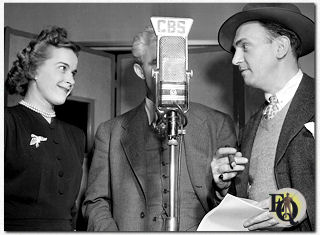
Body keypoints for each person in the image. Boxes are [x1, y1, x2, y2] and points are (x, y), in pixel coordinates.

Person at [82, 26, 247, 231]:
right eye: (155, 63)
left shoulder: (218, 124)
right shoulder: (110, 133)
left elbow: (236, 205)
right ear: (140, 71)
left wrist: (222, 187)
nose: (167, 71)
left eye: (174, 62)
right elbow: (95, 203)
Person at [217, 3, 315, 231]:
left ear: (280, 47)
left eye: (245, 47)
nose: (235, 60)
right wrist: (224, 184)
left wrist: (306, 204)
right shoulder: (252, 124)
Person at [4, 26, 85, 231]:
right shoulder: (7, 123)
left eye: (73, 72)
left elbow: (72, 209)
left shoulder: (76, 136)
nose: (71, 80)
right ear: (34, 70)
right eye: (62, 68)